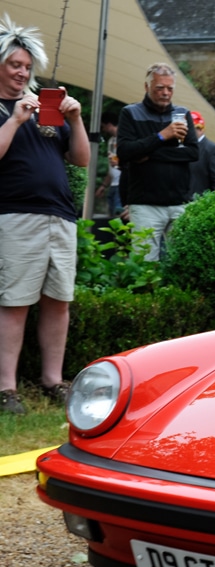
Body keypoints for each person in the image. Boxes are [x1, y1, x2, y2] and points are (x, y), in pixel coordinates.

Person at [0, 14, 90, 414]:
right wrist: (16, 119)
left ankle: (53, 381)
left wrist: (75, 118)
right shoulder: (12, 111)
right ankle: (6, 390)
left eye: (26, 67)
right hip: (16, 216)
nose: (22, 73)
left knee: (59, 300)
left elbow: (82, 160)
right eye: (14, 65)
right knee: (14, 302)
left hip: (60, 216)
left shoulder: (44, 109)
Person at [117, 62, 199, 261]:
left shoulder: (183, 114)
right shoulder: (130, 113)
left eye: (170, 88)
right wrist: (162, 136)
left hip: (180, 202)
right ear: (147, 87)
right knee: (143, 265)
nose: (165, 93)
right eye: (160, 88)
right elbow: (125, 151)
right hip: (145, 205)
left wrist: (149, 153)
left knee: (181, 263)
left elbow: (193, 153)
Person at [188, 110, 215, 199]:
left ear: (200, 129)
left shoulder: (212, 149)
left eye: (190, 128)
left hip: (200, 202)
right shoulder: (184, 147)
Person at [94, 111, 123, 218]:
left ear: (109, 124)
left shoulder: (125, 138)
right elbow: (112, 167)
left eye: (103, 126)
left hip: (122, 184)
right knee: (111, 219)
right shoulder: (111, 141)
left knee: (119, 219)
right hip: (113, 185)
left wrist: (120, 163)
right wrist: (103, 185)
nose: (103, 130)